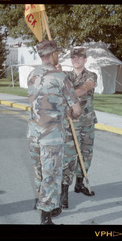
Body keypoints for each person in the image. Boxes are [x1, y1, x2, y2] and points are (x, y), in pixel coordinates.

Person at [27, 40, 81, 225]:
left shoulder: (31, 75)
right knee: (51, 173)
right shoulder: (60, 77)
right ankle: (46, 216)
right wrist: (71, 114)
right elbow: (77, 108)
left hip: (34, 133)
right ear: (53, 54)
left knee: (40, 171)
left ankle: (42, 201)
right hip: (52, 135)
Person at [60, 47, 98, 209]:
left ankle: (80, 183)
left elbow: (84, 88)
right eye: (74, 58)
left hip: (87, 122)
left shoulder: (91, 75)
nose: (77, 60)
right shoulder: (65, 76)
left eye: (80, 57)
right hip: (70, 123)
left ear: (85, 59)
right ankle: (63, 192)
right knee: (69, 157)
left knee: (86, 155)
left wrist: (69, 94)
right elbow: (56, 82)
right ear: (71, 60)